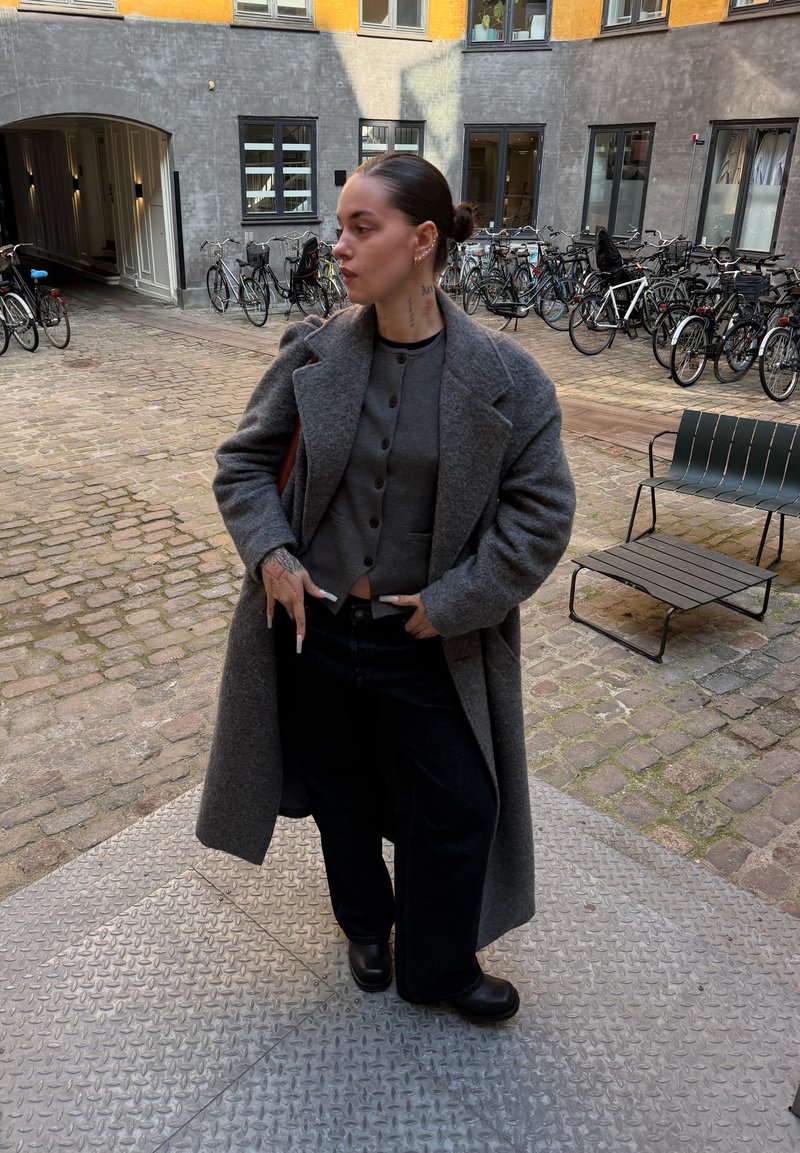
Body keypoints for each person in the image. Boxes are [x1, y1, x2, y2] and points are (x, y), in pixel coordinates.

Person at [196, 153, 575, 1022]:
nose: (339, 246)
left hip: (431, 641)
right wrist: (273, 556)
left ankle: (436, 963)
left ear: (423, 241)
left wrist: (452, 603)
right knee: (341, 792)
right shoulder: (314, 352)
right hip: (318, 630)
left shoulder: (509, 381)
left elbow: (541, 517)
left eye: (361, 228)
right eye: (339, 227)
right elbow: (243, 464)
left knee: (461, 803)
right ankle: (366, 924)